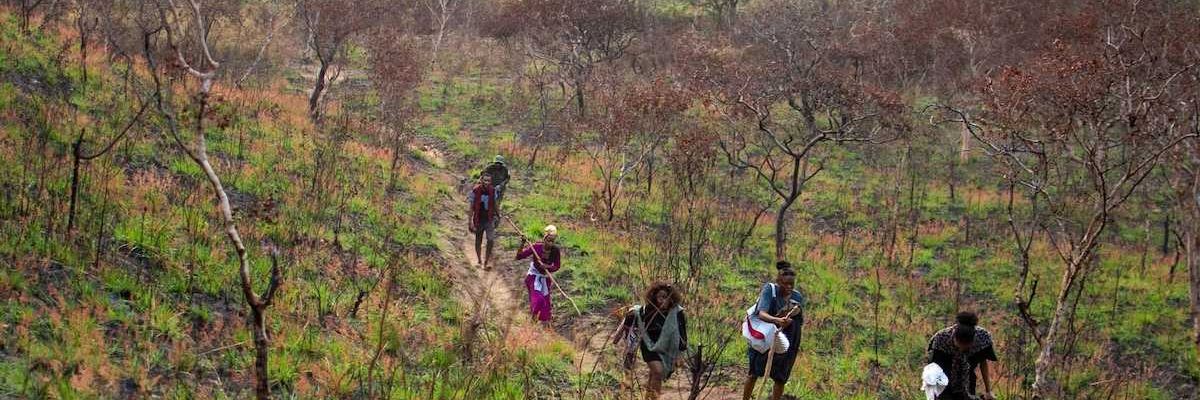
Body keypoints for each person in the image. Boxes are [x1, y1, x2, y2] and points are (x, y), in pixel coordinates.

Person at [611, 282, 688, 400]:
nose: (663, 300)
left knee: (654, 376)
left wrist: (680, 352)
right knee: (658, 372)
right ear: (654, 297)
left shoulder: (677, 313)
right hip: (649, 346)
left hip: (667, 348)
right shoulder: (646, 312)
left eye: (666, 297)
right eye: (660, 297)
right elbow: (631, 324)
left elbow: (682, 333)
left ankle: (648, 397)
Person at [743, 261, 806, 400]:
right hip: (766, 337)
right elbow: (762, 313)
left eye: (791, 285)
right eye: (785, 284)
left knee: (780, 378)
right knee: (754, 373)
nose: (789, 287)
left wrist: (791, 317)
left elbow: (799, 319)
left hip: (788, 340)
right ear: (778, 281)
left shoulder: (797, 297)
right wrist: (777, 320)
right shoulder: (769, 290)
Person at [926, 312, 998, 400]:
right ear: (954, 338)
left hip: (968, 379)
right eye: (959, 346)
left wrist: (988, 391)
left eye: (965, 348)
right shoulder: (941, 339)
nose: (961, 350)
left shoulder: (982, 339)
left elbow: (983, 363)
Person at [517, 225, 561, 326]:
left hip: (545, 279)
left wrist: (547, 267)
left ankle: (545, 327)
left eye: (553, 241)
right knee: (539, 299)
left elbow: (557, 266)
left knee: (546, 306)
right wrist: (522, 243)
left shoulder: (555, 250)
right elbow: (519, 256)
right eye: (549, 240)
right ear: (544, 238)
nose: (550, 243)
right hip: (533, 277)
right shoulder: (536, 247)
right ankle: (532, 319)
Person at [469, 174, 499, 269]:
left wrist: (499, 215)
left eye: (488, 181)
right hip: (478, 218)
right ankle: (479, 260)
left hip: (489, 219)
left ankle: (486, 261)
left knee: (490, 240)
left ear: (490, 182)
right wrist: (470, 221)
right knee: (478, 239)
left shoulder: (493, 191)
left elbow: (495, 204)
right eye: (485, 180)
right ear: (481, 180)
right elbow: (471, 207)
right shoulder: (475, 191)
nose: (486, 183)